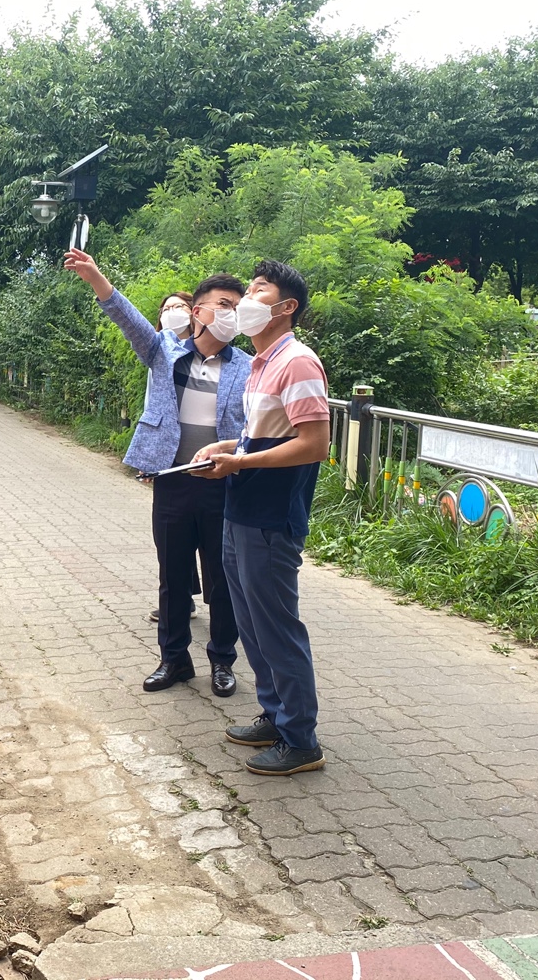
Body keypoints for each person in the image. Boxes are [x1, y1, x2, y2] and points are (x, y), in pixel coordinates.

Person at [64, 248, 251, 697]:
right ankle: (174, 659)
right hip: (172, 478)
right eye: (222, 305)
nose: (230, 314)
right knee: (172, 573)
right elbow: (127, 318)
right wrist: (96, 279)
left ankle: (223, 661)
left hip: (223, 480)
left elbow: (259, 425)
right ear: (199, 310)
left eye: (236, 308)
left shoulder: (248, 366)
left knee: (223, 578)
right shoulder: (164, 352)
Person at [193, 260, 330, 775]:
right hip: (242, 507)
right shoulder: (260, 363)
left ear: (286, 306)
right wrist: (230, 447)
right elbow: (268, 434)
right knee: (251, 623)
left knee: (276, 627)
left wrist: (242, 461)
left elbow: (314, 443)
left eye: (257, 290)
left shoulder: (297, 362)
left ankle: (301, 741)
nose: (246, 300)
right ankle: (275, 716)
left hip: (271, 515)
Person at [147, 292, 202, 624]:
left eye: (178, 306)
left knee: (204, 536)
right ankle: (180, 599)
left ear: (194, 312)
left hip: (208, 457)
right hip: (169, 458)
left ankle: (222, 607)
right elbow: (152, 405)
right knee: (170, 538)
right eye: (166, 308)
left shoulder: (208, 352)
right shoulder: (157, 349)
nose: (172, 312)